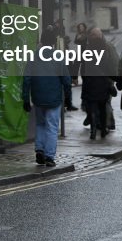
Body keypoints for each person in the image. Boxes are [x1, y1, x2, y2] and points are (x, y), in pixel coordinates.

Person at [22, 28, 72, 167]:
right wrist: (68, 98)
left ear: (41, 40)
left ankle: (39, 149)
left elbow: (26, 79)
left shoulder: (34, 56)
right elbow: (66, 80)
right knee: (52, 127)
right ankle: (49, 156)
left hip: (38, 97)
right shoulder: (58, 57)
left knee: (40, 124)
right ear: (53, 42)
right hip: (54, 98)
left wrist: (25, 98)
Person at [80, 28, 117, 140]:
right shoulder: (106, 49)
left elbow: (83, 67)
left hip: (91, 83)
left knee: (93, 107)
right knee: (103, 106)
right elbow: (111, 65)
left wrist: (84, 79)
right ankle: (104, 128)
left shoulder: (88, 49)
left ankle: (94, 129)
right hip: (103, 83)